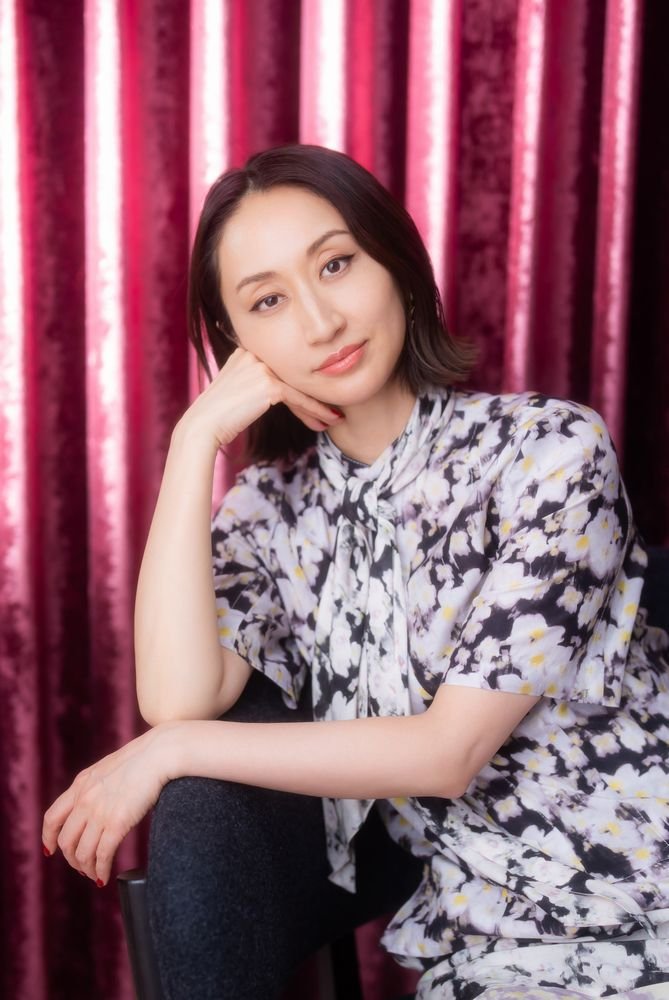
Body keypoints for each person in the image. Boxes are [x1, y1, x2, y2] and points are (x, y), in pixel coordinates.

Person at [42, 143, 669, 1000]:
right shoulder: (270, 509)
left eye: (335, 264)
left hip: (645, 902)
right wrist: (194, 443)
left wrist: (172, 751)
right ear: (237, 344)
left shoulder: (549, 452)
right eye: (267, 300)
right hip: (484, 951)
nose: (320, 321)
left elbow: (448, 753)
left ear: (396, 265)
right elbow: (178, 695)